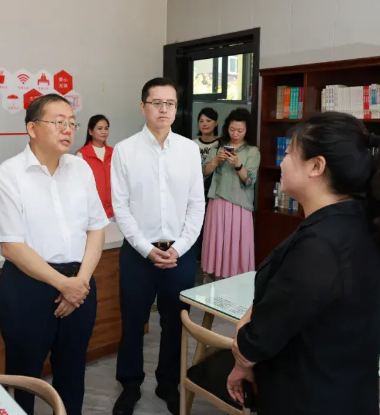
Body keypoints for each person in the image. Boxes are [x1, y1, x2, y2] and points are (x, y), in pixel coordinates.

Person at [225, 112, 380, 414]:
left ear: (317, 166)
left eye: (289, 153)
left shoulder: (321, 246)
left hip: (309, 396)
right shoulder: (360, 222)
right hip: (345, 391)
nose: (282, 162)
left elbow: (257, 339)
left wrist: (243, 347)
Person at [0, 94, 109, 415]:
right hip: (28, 288)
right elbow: (11, 245)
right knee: (23, 377)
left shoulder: (80, 169)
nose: (67, 129)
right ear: (32, 128)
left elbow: (97, 228)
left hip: (80, 285)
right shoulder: (9, 174)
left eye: (72, 123)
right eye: (58, 122)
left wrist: (79, 282)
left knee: (73, 371)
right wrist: (64, 284)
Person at [111, 77, 205, 415]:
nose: (164, 109)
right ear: (143, 107)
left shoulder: (189, 149)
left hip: (180, 253)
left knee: (176, 322)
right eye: (156, 102)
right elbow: (120, 206)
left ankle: (169, 384)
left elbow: (197, 204)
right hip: (139, 253)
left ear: (176, 109)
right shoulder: (125, 150)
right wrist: (145, 248)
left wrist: (180, 247)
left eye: (170, 103)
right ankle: (130, 386)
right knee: (132, 322)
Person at [201, 108, 259, 280]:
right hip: (217, 202)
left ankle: (236, 278)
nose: (235, 134)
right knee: (216, 240)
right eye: (232, 129)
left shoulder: (252, 151)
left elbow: (250, 180)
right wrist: (216, 160)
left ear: (247, 130)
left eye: (240, 130)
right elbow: (205, 172)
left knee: (236, 242)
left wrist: (238, 165)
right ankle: (213, 275)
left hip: (240, 204)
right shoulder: (219, 146)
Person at [191, 107, 219, 261]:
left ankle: (208, 258)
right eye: (201, 121)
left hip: (213, 191)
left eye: (208, 121)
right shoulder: (192, 144)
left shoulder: (220, 144)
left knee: (211, 226)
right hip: (195, 190)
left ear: (216, 123)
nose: (204, 124)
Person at [76, 114, 114, 217]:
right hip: (92, 212)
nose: (104, 132)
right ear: (90, 131)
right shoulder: (82, 154)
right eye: (100, 128)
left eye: (106, 128)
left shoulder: (114, 153)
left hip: (113, 211)